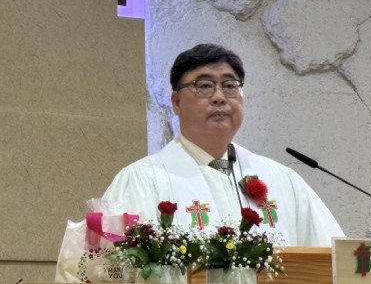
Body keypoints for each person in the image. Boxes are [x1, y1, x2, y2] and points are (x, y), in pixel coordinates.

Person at [102, 43, 344, 246]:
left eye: (230, 86)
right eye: (204, 86)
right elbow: (110, 268)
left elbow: (335, 262)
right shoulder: (143, 181)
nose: (219, 97)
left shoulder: (283, 181)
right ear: (176, 102)